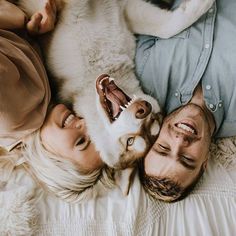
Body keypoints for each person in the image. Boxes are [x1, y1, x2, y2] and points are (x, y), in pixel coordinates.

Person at [0, 0, 114, 203]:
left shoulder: (14, 116)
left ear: (51, 161)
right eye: (96, 130)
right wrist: (31, 32)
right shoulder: (38, 107)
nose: (85, 124)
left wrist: (18, 17)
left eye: (81, 141)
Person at [135, 0, 236, 201]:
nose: (180, 141)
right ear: (205, 161)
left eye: (163, 147)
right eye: (187, 159)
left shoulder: (146, 76)